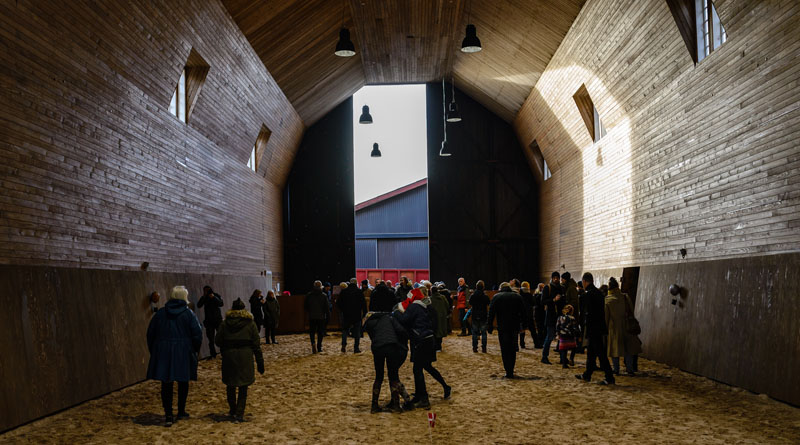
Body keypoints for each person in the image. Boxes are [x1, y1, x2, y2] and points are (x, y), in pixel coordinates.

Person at [146, 286, 203, 427]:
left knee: (166, 383)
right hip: (183, 351)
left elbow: (150, 334)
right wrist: (195, 350)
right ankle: (181, 410)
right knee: (183, 381)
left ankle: (168, 414)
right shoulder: (188, 314)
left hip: (164, 351)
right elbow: (197, 334)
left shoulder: (160, 314)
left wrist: (155, 351)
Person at [393, 287, 451, 409]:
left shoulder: (415, 307)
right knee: (426, 366)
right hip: (428, 338)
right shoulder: (427, 307)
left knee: (418, 369)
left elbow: (404, 320)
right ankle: (439, 388)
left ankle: (423, 397)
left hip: (420, 340)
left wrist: (397, 312)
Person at [215, 298, 265, 422]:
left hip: (229, 356)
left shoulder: (225, 323)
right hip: (245, 356)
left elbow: (218, 340)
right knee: (243, 386)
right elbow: (256, 344)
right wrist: (260, 362)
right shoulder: (250, 323)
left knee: (230, 384)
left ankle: (232, 410)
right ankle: (239, 413)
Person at [362, 312, 413, 413]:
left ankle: (374, 405)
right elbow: (401, 330)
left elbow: (373, 337)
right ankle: (396, 405)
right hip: (391, 346)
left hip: (377, 348)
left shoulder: (369, 323)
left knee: (378, 376)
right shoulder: (389, 318)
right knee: (393, 375)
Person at [576, 273, 615, 385]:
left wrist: (584, 328)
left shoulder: (588, 294)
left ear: (584, 281)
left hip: (593, 328)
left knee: (600, 353)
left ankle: (609, 377)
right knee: (592, 352)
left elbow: (587, 313)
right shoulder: (599, 293)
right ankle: (587, 374)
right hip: (598, 327)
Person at [487, 282, 525, 378]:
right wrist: (524, 325)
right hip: (514, 326)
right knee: (512, 349)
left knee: (504, 349)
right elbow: (524, 312)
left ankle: (507, 371)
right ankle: (511, 370)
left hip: (502, 327)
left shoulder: (496, 297)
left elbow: (491, 313)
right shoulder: (517, 297)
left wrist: (489, 326)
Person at [605, 277, 639, 375]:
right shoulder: (625, 297)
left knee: (614, 349)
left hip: (614, 327)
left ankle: (616, 369)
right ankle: (630, 369)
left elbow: (606, 317)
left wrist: (605, 329)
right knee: (628, 348)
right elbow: (631, 311)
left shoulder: (607, 300)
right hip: (627, 326)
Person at [338, 278, 367, 353]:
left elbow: (338, 303)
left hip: (346, 314)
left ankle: (343, 345)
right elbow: (363, 304)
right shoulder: (359, 292)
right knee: (357, 331)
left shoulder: (344, 291)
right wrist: (364, 313)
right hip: (356, 315)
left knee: (345, 330)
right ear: (356, 283)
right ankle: (356, 348)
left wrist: (343, 310)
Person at [540, 272, 563, 364]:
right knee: (549, 337)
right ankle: (544, 357)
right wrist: (553, 300)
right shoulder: (547, 287)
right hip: (551, 316)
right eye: (555, 277)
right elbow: (543, 301)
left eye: (557, 277)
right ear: (552, 278)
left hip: (560, 316)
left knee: (561, 338)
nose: (556, 279)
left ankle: (563, 358)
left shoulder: (561, 288)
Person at [197, 285, 224, 358]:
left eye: (208, 290)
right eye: (205, 290)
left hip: (218, 320)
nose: (207, 292)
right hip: (209, 321)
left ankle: (223, 353)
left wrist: (214, 298)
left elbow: (221, 304)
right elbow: (199, 305)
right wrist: (203, 297)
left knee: (221, 337)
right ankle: (213, 354)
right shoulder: (204, 298)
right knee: (211, 339)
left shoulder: (216, 295)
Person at [304, 280, 330, 353]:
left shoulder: (309, 295)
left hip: (312, 316)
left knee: (312, 331)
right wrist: (328, 316)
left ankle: (313, 343)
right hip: (321, 317)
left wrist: (310, 311)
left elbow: (305, 306)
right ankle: (319, 346)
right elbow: (326, 307)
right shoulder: (324, 295)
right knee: (320, 332)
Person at [469, 280, 490, 353]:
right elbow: (488, 303)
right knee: (484, 333)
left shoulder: (473, 295)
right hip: (483, 315)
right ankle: (484, 348)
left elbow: (470, 303)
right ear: (483, 287)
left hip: (475, 315)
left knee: (474, 332)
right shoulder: (485, 296)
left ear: (476, 287)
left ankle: (475, 348)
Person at [556, 304, 580, 368]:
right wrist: (578, 335)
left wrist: (558, 334)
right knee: (574, 348)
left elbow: (557, 326)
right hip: (570, 336)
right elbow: (575, 328)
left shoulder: (560, 317)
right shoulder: (572, 318)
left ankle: (564, 364)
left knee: (564, 350)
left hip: (562, 335)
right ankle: (571, 359)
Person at [429, 284, 450, 352]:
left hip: (433, 318)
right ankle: (439, 347)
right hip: (442, 318)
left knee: (434, 332)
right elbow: (447, 306)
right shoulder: (443, 297)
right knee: (440, 332)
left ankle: (435, 347)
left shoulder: (430, 299)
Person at [519, 282, 535, 349]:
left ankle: (522, 344)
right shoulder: (529, 295)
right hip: (529, 313)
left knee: (522, 330)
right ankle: (536, 343)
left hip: (521, 313)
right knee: (532, 329)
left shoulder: (519, 294)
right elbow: (533, 303)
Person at [533, 283, 546, 348]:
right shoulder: (540, 295)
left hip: (538, 313)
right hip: (541, 313)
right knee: (541, 328)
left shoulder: (535, 295)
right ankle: (541, 342)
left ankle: (540, 342)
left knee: (540, 328)